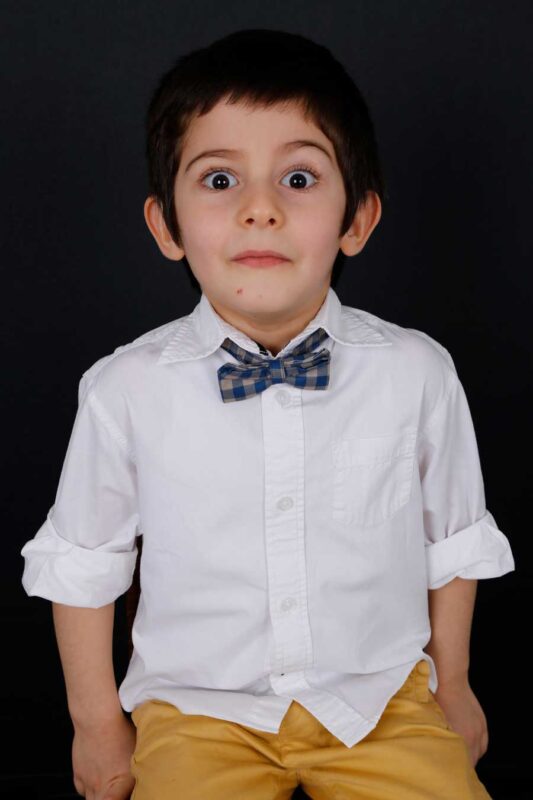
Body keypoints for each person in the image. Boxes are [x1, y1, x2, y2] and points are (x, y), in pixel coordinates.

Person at [20, 28, 515, 800]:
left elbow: (451, 542)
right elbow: (84, 564)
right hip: (198, 710)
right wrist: (95, 724)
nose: (259, 210)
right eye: (219, 180)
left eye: (298, 178)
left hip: (379, 703)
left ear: (356, 220)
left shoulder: (415, 372)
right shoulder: (126, 388)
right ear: (166, 226)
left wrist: (452, 684)